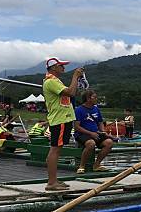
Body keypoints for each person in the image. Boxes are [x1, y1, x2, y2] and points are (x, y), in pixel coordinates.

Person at [43, 58, 84, 190]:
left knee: (57, 149)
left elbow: (71, 92)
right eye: (61, 66)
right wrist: (75, 76)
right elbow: (71, 92)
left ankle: (54, 180)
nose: (63, 68)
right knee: (55, 149)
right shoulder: (50, 81)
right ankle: (51, 182)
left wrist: (76, 80)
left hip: (63, 119)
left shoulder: (55, 81)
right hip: (59, 119)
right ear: (54, 67)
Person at [74, 90, 113, 174]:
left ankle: (96, 165)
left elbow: (100, 122)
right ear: (88, 99)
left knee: (109, 142)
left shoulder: (96, 109)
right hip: (82, 134)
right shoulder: (78, 110)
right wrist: (91, 133)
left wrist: (103, 131)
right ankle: (82, 166)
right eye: (94, 97)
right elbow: (77, 127)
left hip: (96, 133)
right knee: (91, 144)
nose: (96, 99)